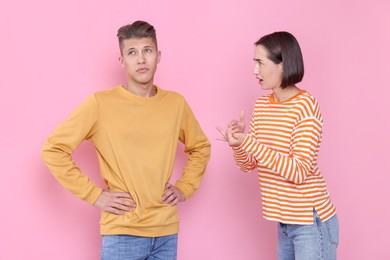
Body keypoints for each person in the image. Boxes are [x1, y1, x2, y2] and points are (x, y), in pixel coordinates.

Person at [41, 20, 211, 260]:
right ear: (122, 61)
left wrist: (185, 187)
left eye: (147, 51)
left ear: (158, 56)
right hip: (122, 234)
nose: (141, 59)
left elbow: (200, 146)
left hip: (166, 232)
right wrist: (94, 195)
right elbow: (53, 150)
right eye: (132, 53)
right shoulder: (100, 104)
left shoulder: (175, 103)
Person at [218, 32, 339, 259]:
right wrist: (237, 144)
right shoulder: (263, 106)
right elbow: (249, 165)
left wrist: (250, 143)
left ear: (282, 64)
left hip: (311, 222)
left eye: (260, 63)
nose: (255, 71)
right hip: (284, 221)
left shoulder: (306, 107)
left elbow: (299, 171)